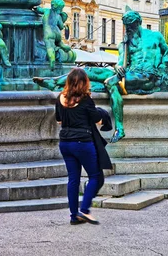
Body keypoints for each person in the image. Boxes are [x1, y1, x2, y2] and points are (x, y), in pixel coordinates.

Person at [56, 68, 104, 226]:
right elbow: (98, 121)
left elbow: (59, 121)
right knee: (95, 176)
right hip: (82, 143)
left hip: (65, 143)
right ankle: (84, 209)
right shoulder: (85, 100)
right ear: (84, 83)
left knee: (73, 179)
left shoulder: (60, 98)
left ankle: (73, 215)